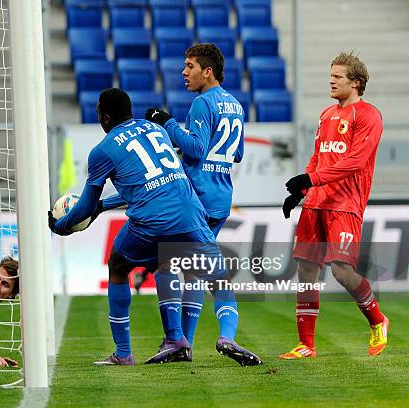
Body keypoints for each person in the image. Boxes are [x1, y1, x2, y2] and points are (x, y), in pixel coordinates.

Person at [49, 88, 259, 366]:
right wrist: (103, 207)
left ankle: (125, 352)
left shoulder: (103, 150)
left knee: (118, 266)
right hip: (191, 212)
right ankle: (226, 337)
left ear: (105, 115)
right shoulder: (154, 129)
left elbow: (87, 204)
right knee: (217, 280)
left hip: (151, 221)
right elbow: (153, 181)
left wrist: (62, 225)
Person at [139, 43, 255, 365]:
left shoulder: (203, 103)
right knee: (193, 274)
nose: (183, 72)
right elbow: (238, 153)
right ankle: (188, 343)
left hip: (197, 200)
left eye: (189, 66)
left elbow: (197, 148)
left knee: (166, 264)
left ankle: (177, 340)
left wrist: (168, 123)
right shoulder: (235, 105)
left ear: (208, 71)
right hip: (220, 199)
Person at [280, 51, 387, 359]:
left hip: (345, 204)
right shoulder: (327, 115)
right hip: (316, 203)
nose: (331, 80)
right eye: (331, 75)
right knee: (306, 271)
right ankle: (306, 345)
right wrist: (301, 191)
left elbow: (355, 162)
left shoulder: (369, 116)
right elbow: (318, 156)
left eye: (338, 76)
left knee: (341, 271)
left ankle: (378, 320)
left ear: (356, 82)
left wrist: (311, 180)